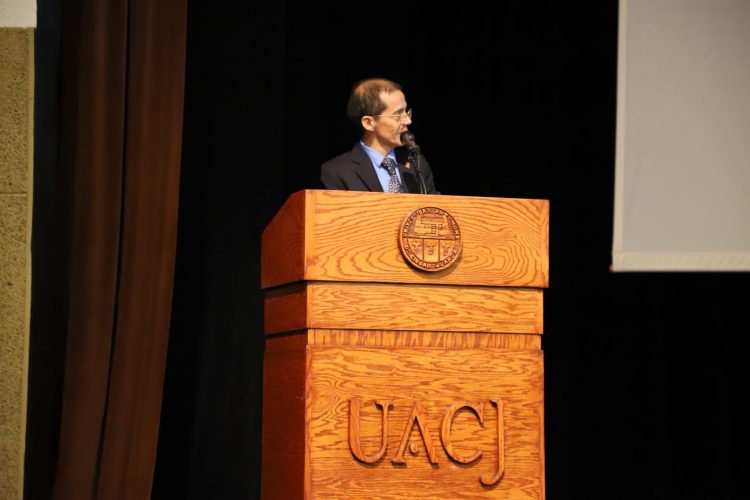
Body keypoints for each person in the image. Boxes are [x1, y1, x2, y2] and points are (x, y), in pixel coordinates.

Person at [320, 78, 439, 194]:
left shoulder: (415, 162)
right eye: (398, 115)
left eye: (406, 112)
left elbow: (435, 204)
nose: (408, 121)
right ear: (369, 123)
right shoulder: (337, 171)